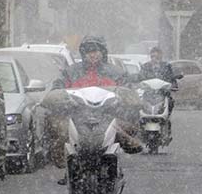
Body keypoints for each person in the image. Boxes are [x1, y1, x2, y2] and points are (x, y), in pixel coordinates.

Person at [43, 36, 142, 184]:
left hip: (107, 116)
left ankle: (125, 143)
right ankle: (67, 167)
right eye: (88, 51)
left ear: (102, 52)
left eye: (96, 50)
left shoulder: (116, 72)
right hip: (78, 116)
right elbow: (58, 89)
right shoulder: (70, 72)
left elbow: (127, 91)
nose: (92, 54)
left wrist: (123, 102)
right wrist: (61, 99)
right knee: (59, 128)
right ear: (83, 54)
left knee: (122, 127)